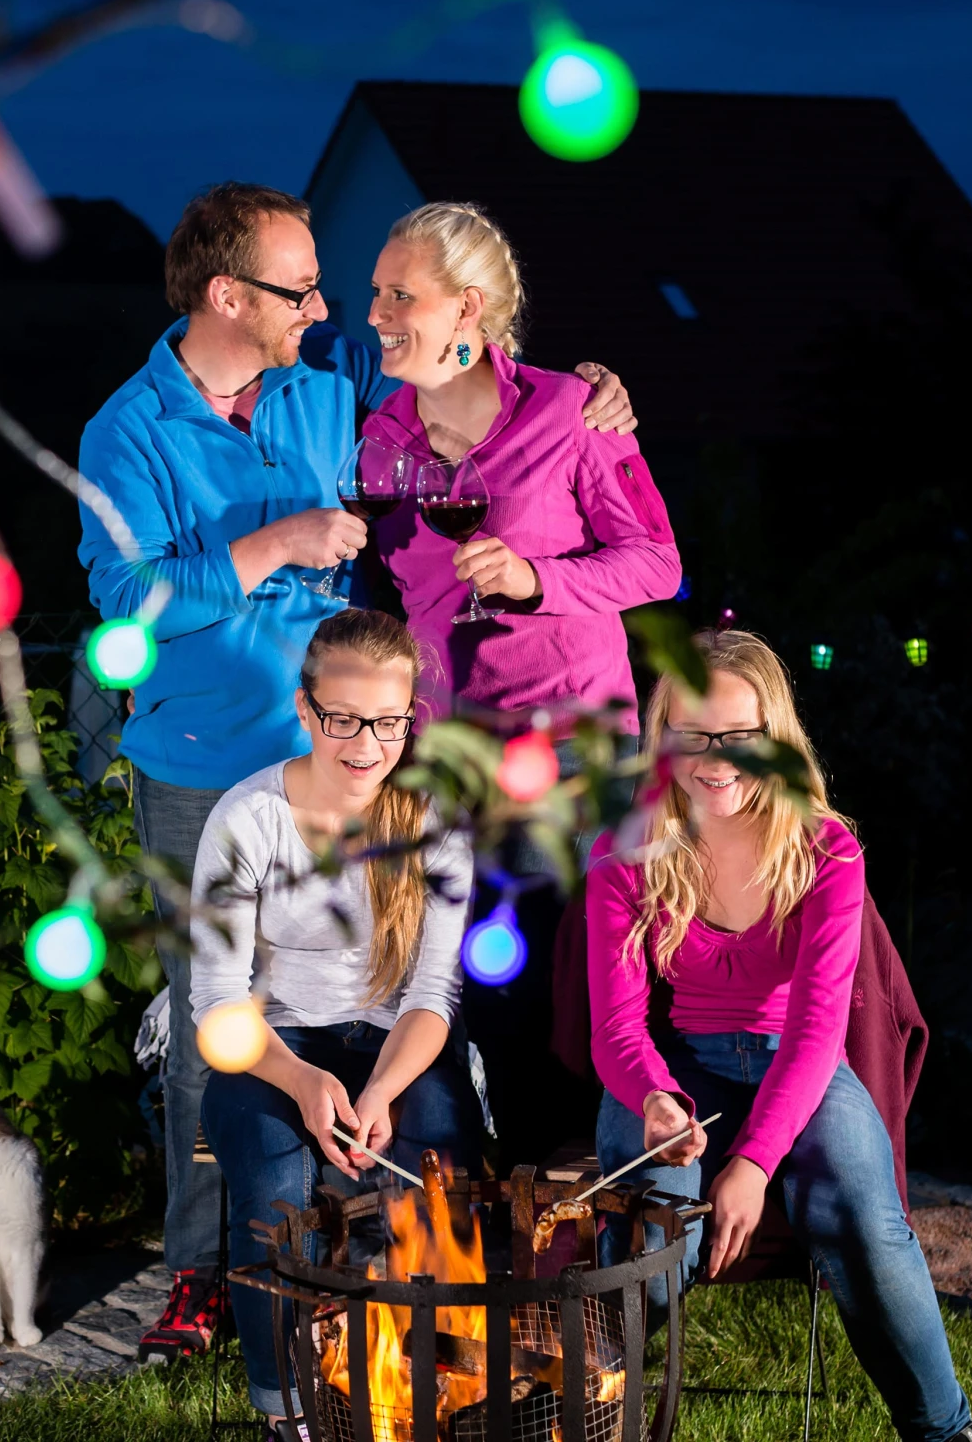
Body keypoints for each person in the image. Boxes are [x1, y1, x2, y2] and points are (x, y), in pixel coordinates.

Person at [77, 182, 636, 1358]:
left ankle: (378, 1258)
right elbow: (124, 605)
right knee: (207, 1025)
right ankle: (200, 1277)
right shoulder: (125, 431)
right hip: (202, 765)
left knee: (392, 994)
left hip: (350, 759)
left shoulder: (327, 384)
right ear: (227, 296)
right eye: (301, 287)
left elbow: (459, 368)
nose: (327, 306)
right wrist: (275, 542)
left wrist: (586, 387)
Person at [586, 629, 972, 1442]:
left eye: (740, 736)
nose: (715, 757)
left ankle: (947, 1432)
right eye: (692, 735)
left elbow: (813, 1033)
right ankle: (578, 1418)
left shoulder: (825, 851)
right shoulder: (624, 855)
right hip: (679, 1068)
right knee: (652, 1250)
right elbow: (616, 1027)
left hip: (798, 1068)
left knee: (870, 1231)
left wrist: (754, 1164)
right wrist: (656, 1101)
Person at [363, 202, 683, 1166]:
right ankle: (498, 1218)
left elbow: (657, 564)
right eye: (373, 291)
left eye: (397, 294)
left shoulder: (570, 413)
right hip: (445, 752)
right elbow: (387, 594)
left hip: (572, 747)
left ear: (468, 310)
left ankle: (582, 1210)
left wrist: (540, 581)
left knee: (565, 986)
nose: (374, 311)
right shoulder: (377, 440)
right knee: (465, 983)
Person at [190, 610, 482, 1436]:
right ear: (307, 711)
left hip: (395, 1049)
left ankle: (421, 1398)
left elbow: (435, 996)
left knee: (430, 1172)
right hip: (272, 1051)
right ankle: (292, 1412)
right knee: (276, 1196)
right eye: (345, 719)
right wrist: (301, 1079)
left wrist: (383, 1088)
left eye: (388, 722)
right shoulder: (247, 819)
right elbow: (216, 1000)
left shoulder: (432, 824)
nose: (367, 744)